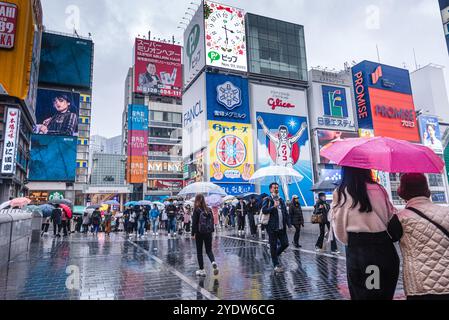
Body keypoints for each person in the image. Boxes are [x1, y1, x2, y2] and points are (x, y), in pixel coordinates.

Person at [332, 167, 400, 300]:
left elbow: (339, 230)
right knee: (383, 294)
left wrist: (352, 242)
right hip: (385, 249)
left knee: (366, 294)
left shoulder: (342, 192)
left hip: (360, 251)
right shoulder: (380, 189)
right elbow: (389, 216)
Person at [396, 173, 449, 300]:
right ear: (426, 189)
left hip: (420, 286)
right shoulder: (446, 212)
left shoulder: (400, 218)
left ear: (403, 191)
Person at [258, 116, 308, 198]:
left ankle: (289, 176)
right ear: (279, 133)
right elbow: (268, 133)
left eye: (285, 132)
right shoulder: (277, 141)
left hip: (288, 162)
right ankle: (287, 197)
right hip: (280, 163)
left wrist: (302, 128)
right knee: (283, 181)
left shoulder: (289, 141)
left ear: (287, 133)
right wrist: (262, 123)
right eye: (282, 132)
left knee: (289, 165)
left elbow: (297, 136)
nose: (283, 134)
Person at [261, 183, 292, 273]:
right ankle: (276, 264)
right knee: (273, 246)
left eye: (277, 187)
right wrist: (273, 207)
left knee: (285, 244)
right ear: (270, 189)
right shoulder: (268, 199)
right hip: (272, 227)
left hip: (282, 227)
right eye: (274, 188)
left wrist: (289, 224)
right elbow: (264, 210)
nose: (276, 189)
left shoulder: (281, 200)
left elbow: (285, 213)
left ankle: (275, 255)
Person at [191, 194, 219, 277]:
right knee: (209, 250)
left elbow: (194, 223)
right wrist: (212, 231)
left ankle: (202, 270)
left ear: (197, 200)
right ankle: (213, 262)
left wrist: (193, 233)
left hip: (199, 233)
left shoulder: (196, 210)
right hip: (208, 232)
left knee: (199, 251)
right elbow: (212, 221)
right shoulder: (209, 209)